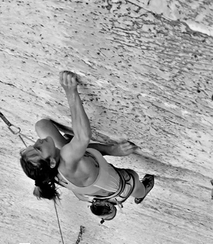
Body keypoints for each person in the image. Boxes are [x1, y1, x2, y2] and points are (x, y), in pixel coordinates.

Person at [19, 71, 154, 221]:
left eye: (34, 144)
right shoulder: (67, 159)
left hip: (87, 186)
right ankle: (139, 195)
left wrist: (111, 150)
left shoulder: (50, 174)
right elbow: (83, 137)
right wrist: (71, 92)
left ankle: (104, 208)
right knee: (138, 187)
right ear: (51, 162)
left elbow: (85, 152)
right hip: (121, 187)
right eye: (38, 148)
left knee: (42, 126)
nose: (37, 141)